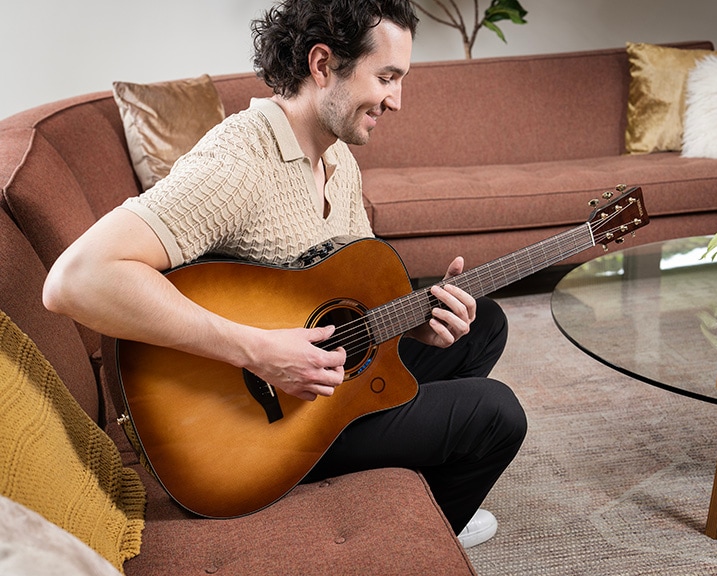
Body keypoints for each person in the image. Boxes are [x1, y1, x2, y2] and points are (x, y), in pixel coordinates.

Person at [43, 0, 527, 548]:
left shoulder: (338, 159)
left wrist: (414, 323)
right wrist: (258, 350)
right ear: (323, 65)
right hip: (259, 426)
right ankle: (423, 532)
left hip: (325, 386)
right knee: (496, 414)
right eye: (387, 77)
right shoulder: (237, 162)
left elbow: (344, 293)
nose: (397, 100)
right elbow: (74, 279)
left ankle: (416, 490)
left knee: (484, 321)